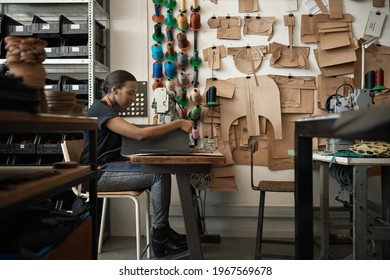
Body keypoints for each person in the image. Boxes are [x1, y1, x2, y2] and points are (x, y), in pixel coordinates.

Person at [79, 70, 193, 258]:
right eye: (131, 93)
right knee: (158, 174)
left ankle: (164, 232)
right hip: (96, 176)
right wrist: (177, 124)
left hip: (105, 168)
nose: (133, 98)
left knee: (158, 170)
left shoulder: (108, 111)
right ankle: (160, 237)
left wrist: (128, 158)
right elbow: (139, 135)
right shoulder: (101, 110)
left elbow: (103, 148)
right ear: (115, 90)